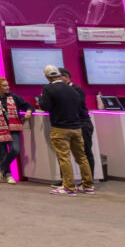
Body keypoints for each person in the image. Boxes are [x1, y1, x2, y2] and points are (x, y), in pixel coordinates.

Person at [40, 65, 92, 195]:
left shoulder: (48, 89)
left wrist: (41, 99)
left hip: (60, 128)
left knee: (64, 157)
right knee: (82, 157)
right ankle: (88, 185)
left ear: (47, 77)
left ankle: (69, 187)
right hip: (76, 127)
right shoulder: (73, 90)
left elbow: (45, 106)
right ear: (58, 74)